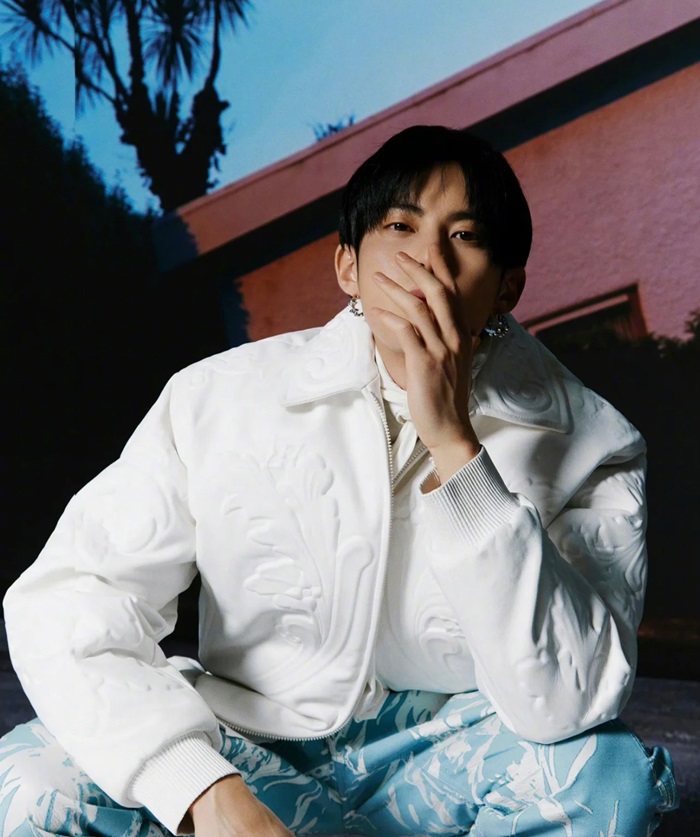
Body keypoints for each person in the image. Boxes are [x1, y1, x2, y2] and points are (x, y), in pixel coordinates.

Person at [0, 125, 677, 836]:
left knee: (606, 775)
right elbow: (70, 597)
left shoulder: (594, 441)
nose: (428, 260)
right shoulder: (216, 397)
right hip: (246, 748)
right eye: (400, 227)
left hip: (449, 765)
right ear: (348, 267)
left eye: (464, 235)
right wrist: (203, 792)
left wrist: (455, 445)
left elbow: (569, 705)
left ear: (507, 287)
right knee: (26, 781)